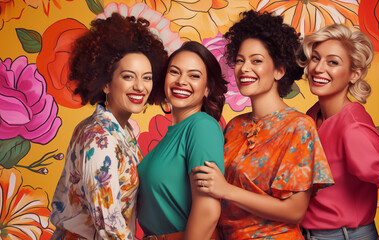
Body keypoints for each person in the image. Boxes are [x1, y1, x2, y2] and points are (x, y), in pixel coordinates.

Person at [191, 10, 334, 239]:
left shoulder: (299, 126)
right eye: (240, 60)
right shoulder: (234, 126)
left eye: (256, 61)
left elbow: (295, 211)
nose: (244, 69)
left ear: (279, 70)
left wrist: (227, 190)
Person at [50, 13, 168, 239]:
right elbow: (109, 227)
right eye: (128, 77)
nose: (140, 87)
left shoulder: (123, 130)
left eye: (147, 77)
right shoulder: (99, 139)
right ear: (105, 82)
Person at [297, 24, 379, 240]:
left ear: (354, 74)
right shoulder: (312, 114)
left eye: (333, 62)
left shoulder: (353, 128)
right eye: (316, 58)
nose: (318, 68)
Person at [137, 41, 228, 240]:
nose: (181, 81)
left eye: (194, 75)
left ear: (207, 89)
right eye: (174, 72)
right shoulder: (170, 136)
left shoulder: (202, 127)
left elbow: (208, 211)